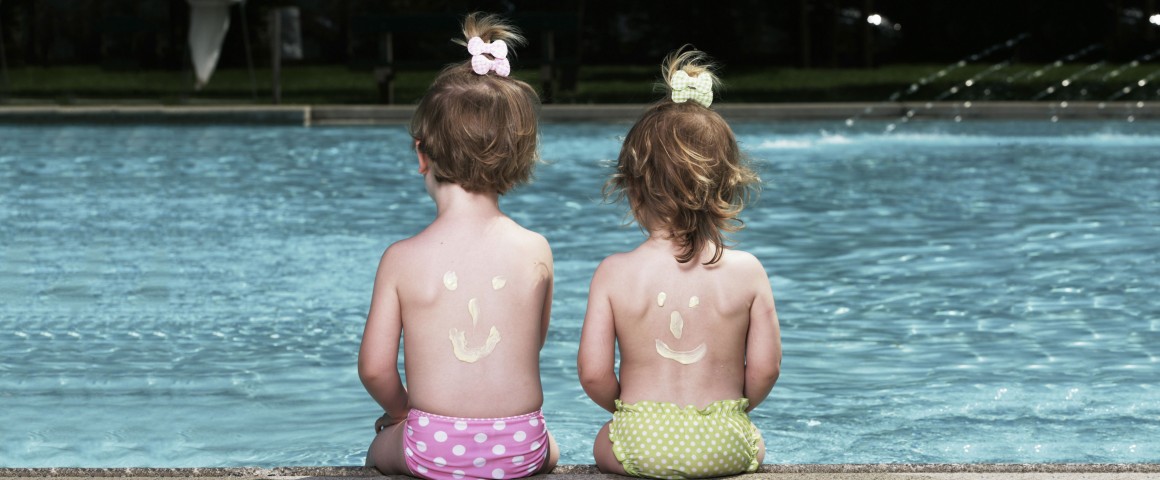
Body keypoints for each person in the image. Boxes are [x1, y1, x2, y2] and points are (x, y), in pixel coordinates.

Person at [359, 12, 558, 480]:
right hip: (522, 445)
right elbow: (531, 343)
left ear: (421, 153)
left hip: (433, 449)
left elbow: (374, 368)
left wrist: (401, 413)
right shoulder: (536, 250)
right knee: (550, 446)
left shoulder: (401, 259)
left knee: (377, 451)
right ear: (518, 155)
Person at [577, 48, 782, 479]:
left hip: (641, 440)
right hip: (722, 441)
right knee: (757, 442)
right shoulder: (748, 271)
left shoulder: (614, 272)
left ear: (632, 190)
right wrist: (733, 411)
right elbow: (765, 368)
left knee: (603, 440)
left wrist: (629, 410)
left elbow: (594, 374)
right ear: (727, 186)